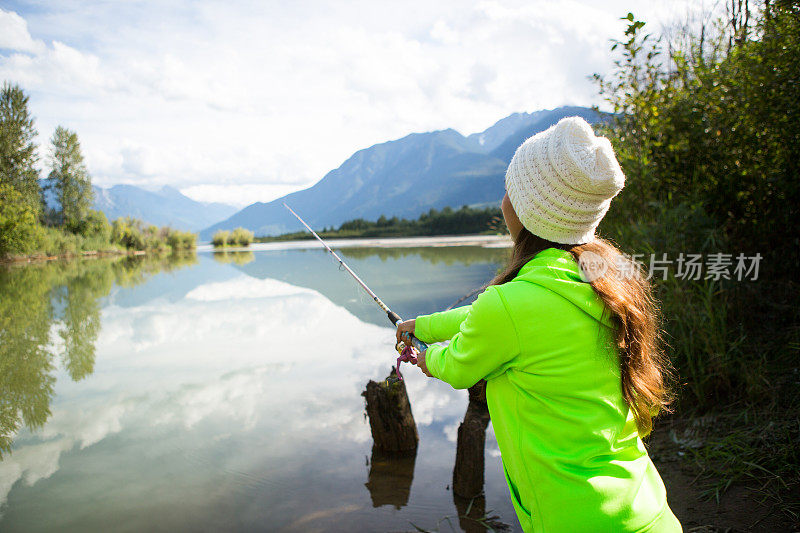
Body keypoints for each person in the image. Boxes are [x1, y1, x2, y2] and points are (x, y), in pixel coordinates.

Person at [396, 117, 682, 532]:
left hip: (576, 518)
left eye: (510, 190)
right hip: (647, 509)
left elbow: (458, 365)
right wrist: (423, 325)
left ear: (527, 209)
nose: (502, 202)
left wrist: (427, 357)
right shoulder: (602, 279)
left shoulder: (511, 304)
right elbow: (493, 318)